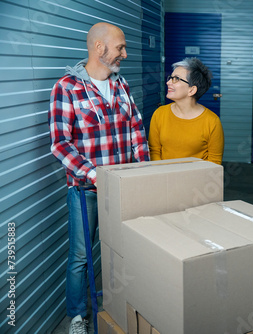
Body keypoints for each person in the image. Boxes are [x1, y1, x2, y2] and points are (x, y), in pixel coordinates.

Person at [48, 22, 150, 334]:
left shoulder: (121, 85)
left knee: (123, 248)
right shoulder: (66, 87)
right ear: (99, 48)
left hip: (124, 187)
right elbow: (60, 144)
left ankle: (121, 305)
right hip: (85, 191)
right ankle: (78, 317)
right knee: (81, 255)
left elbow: (136, 131)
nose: (125, 53)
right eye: (120, 47)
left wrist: (143, 171)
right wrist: (95, 175)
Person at [148, 57, 224, 164]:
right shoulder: (159, 114)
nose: (168, 82)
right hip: (165, 178)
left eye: (176, 79)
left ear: (191, 90)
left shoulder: (212, 121)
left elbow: (214, 162)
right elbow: (154, 151)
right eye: (170, 78)